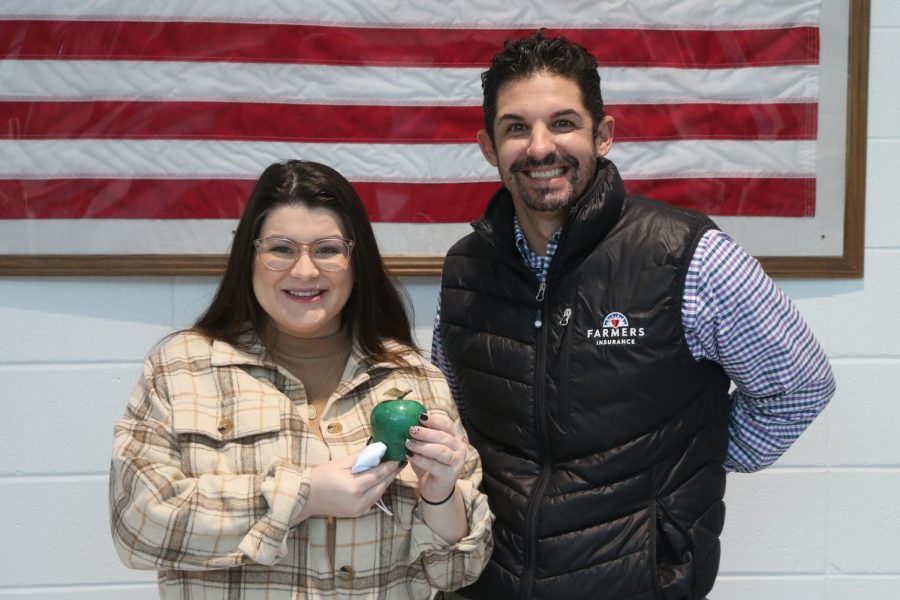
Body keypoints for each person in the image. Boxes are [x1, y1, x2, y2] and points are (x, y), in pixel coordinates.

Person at [431, 32, 835, 600]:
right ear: (488, 146)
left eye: (564, 123)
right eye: (516, 127)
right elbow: (452, 416)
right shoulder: (465, 269)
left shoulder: (687, 254)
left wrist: (680, 483)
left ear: (604, 135)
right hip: (488, 583)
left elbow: (799, 387)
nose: (541, 147)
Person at [109, 160, 492, 599]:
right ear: (249, 256)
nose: (306, 271)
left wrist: (441, 495)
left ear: (355, 259)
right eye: (282, 249)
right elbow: (136, 527)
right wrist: (303, 496)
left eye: (327, 249)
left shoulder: (414, 379)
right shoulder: (180, 369)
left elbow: (460, 569)